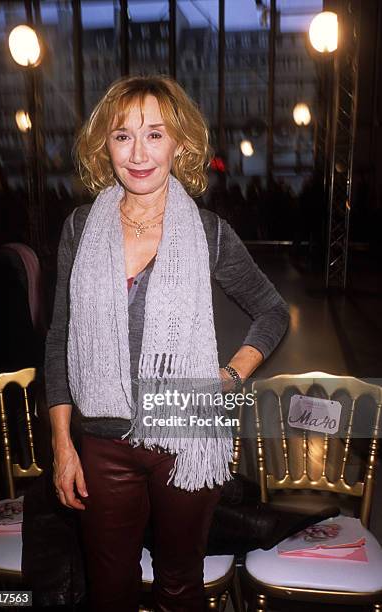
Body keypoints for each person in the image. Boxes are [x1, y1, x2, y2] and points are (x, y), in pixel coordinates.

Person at [44, 75, 289, 612]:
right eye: (122, 135)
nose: (139, 153)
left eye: (155, 134)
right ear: (103, 146)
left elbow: (272, 310)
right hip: (103, 436)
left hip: (187, 425)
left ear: (180, 144)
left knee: (180, 586)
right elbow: (60, 337)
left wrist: (231, 376)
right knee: (110, 590)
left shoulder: (207, 232)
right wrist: (63, 444)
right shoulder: (80, 229)